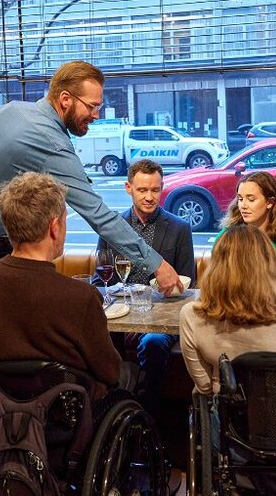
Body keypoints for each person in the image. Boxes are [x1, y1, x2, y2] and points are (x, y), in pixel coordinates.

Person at [0, 60, 183, 294]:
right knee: (17, 329)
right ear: (65, 99)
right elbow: (99, 215)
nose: (96, 115)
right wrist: (157, 264)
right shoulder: (53, 145)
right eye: (92, 106)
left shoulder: (6, 110)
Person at [0, 172, 121, 401]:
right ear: (54, 227)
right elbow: (109, 371)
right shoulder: (81, 296)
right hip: (69, 417)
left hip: (0, 411)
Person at [95, 159, 195, 415]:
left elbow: (188, 282)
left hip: (163, 317)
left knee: (152, 341)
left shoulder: (179, 228)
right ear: (128, 187)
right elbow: (99, 280)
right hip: (121, 316)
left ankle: (148, 412)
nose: (150, 197)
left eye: (155, 190)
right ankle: (112, 409)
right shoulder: (112, 227)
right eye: (142, 190)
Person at [179, 225, 276, 395]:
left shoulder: (192, 316)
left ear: (216, 267)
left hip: (227, 413)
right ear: (271, 262)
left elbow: (204, 387)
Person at [216, 171, 276, 287]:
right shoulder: (226, 237)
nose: (243, 205)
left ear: (270, 202)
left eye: (251, 199)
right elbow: (218, 287)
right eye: (240, 199)